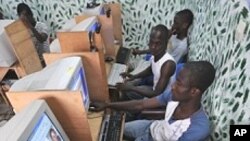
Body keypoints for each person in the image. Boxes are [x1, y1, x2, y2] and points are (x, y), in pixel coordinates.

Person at [91, 61, 216, 141]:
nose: (172, 86)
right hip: (151, 127)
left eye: (179, 83)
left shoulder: (198, 129)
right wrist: (107, 105)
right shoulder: (173, 95)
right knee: (107, 132)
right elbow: (141, 104)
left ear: (194, 91)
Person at [118, 24, 176, 100]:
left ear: (165, 43)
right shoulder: (156, 55)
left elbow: (156, 93)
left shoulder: (168, 64)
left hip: (160, 99)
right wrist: (133, 76)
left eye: (157, 44)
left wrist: (131, 88)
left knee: (127, 91)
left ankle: (130, 111)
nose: (153, 47)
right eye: (151, 42)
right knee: (127, 85)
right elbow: (151, 69)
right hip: (154, 89)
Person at [17, 3, 50, 67]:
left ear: (31, 15)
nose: (25, 19)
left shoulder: (42, 26)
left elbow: (42, 39)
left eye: (26, 16)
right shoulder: (24, 31)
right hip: (35, 61)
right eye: (23, 18)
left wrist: (29, 25)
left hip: (46, 59)